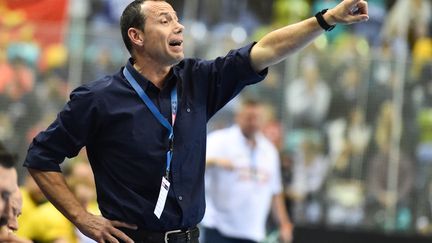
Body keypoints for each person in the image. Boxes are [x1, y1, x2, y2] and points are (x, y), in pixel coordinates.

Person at [23, 0, 369, 242]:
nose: (179, 25)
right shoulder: (97, 98)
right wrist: (84, 219)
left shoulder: (198, 81)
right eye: (164, 19)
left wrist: (327, 19)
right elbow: (41, 158)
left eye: (177, 18)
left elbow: (267, 49)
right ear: (136, 36)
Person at [202, 99, 293, 243]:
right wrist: (214, 161)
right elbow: (192, 168)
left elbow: (275, 192)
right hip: (219, 229)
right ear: (238, 117)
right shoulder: (219, 141)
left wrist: (284, 224)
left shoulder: (269, 151)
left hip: (252, 233)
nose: (253, 122)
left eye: (257, 118)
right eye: (249, 117)